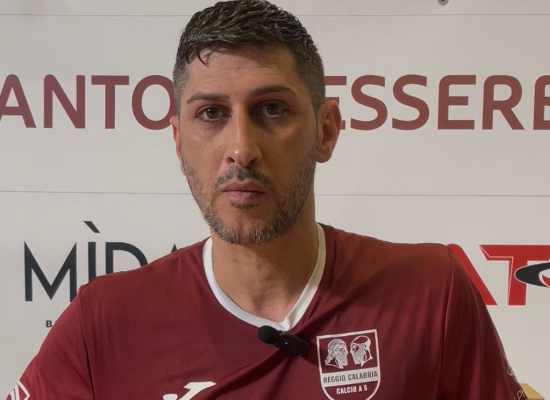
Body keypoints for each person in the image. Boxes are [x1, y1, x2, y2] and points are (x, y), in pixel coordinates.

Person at [6, 1, 527, 399]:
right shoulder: (103, 323)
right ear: (178, 142)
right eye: (211, 114)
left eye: (272, 109)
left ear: (326, 131)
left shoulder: (432, 292)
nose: (241, 148)